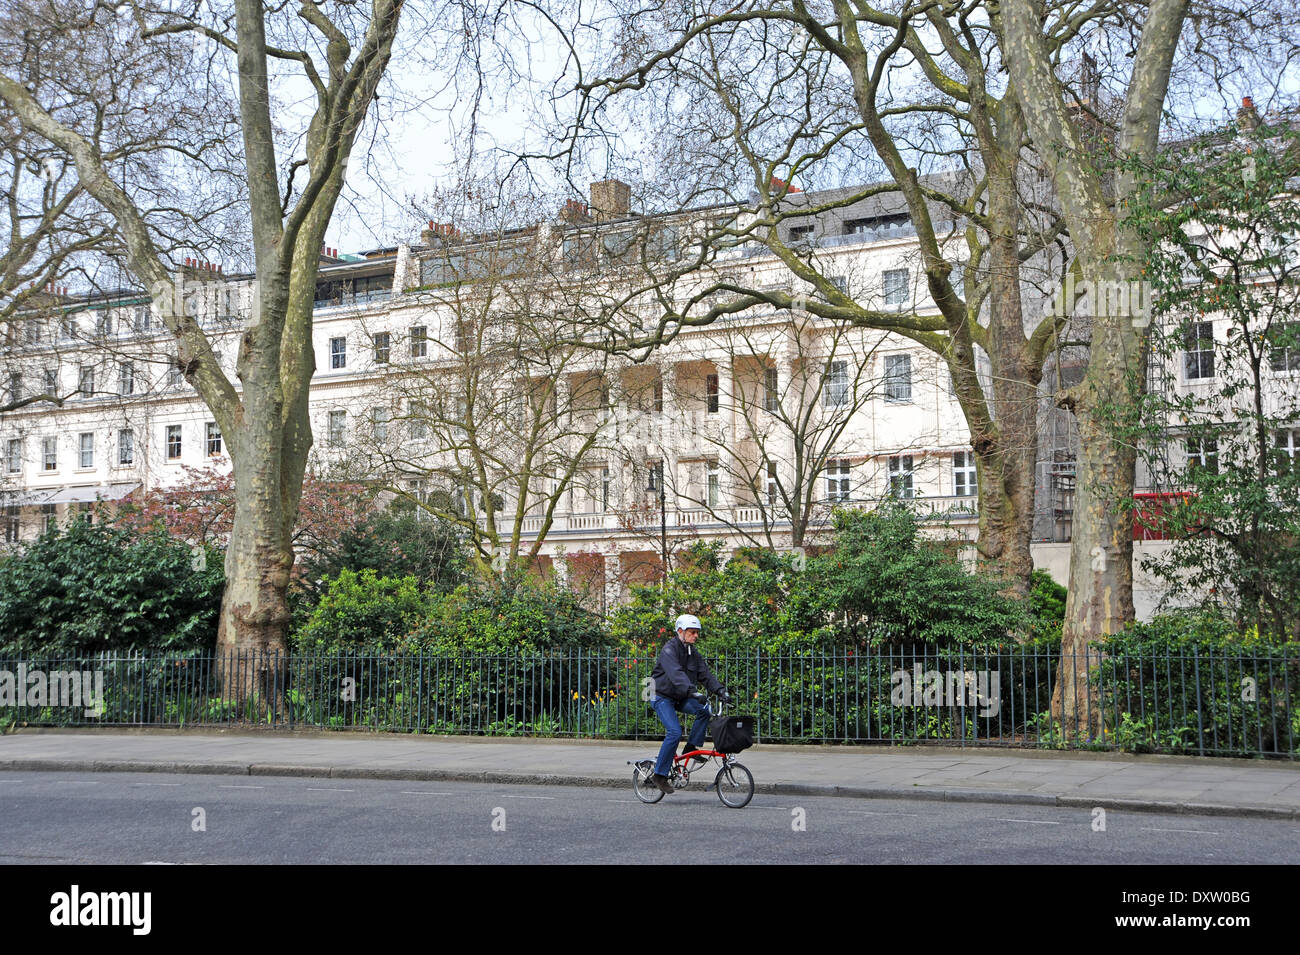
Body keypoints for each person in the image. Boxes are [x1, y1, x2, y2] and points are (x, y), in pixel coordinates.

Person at [648, 614, 730, 795]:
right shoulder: (669, 650)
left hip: (679, 696)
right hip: (661, 696)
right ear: (680, 631)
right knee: (675, 732)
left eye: (697, 632)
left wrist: (721, 690)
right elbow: (676, 675)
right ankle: (659, 775)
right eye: (692, 632)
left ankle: (691, 747)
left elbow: (705, 675)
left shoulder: (692, 653)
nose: (696, 636)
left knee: (704, 710)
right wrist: (693, 691)